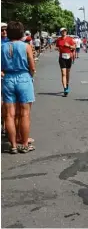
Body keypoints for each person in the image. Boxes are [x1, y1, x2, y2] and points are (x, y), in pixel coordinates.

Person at [1, 21, 36, 154]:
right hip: (23, 78)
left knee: (9, 115)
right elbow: (32, 66)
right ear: (21, 32)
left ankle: (13, 145)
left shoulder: (2, 47)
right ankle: (25, 144)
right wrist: (30, 75)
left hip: (8, 79)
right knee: (24, 114)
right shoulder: (25, 46)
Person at [56, 28, 76, 96]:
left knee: (67, 73)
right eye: (62, 31)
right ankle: (65, 89)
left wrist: (69, 46)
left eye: (65, 31)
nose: (64, 32)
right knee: (63, 73)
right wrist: (59, 50)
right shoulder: (58, 40)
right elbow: (57, 47)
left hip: (68, 58)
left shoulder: (70, 39)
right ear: (60, 32)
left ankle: (67, 85)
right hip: (62, 58)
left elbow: (74, 47)